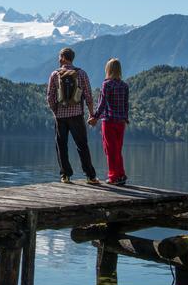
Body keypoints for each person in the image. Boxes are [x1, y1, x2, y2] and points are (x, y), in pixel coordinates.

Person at [46, 47, 100, 185]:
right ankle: (90, 176)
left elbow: (50, 97)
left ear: (63, 57)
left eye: (59, 57)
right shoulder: (81, 73)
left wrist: (55, 111)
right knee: (82, 145)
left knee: (61, 145)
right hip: (77, 115)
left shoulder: (54, 74)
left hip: (61, 117)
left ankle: (65, 175)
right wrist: (91, 113)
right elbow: (88, 95)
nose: (58, 59)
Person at [88, 58, 129, 185]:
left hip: (109, 121)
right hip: (121, 122)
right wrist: (125, 118)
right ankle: (121, 175)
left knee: (110, 150)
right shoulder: (124, 85)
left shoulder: (107, 84)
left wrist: (94, 117)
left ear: (108, 69)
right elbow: (125, 104)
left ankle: (113, 177)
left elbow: (102, 103)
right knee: (117, 150)